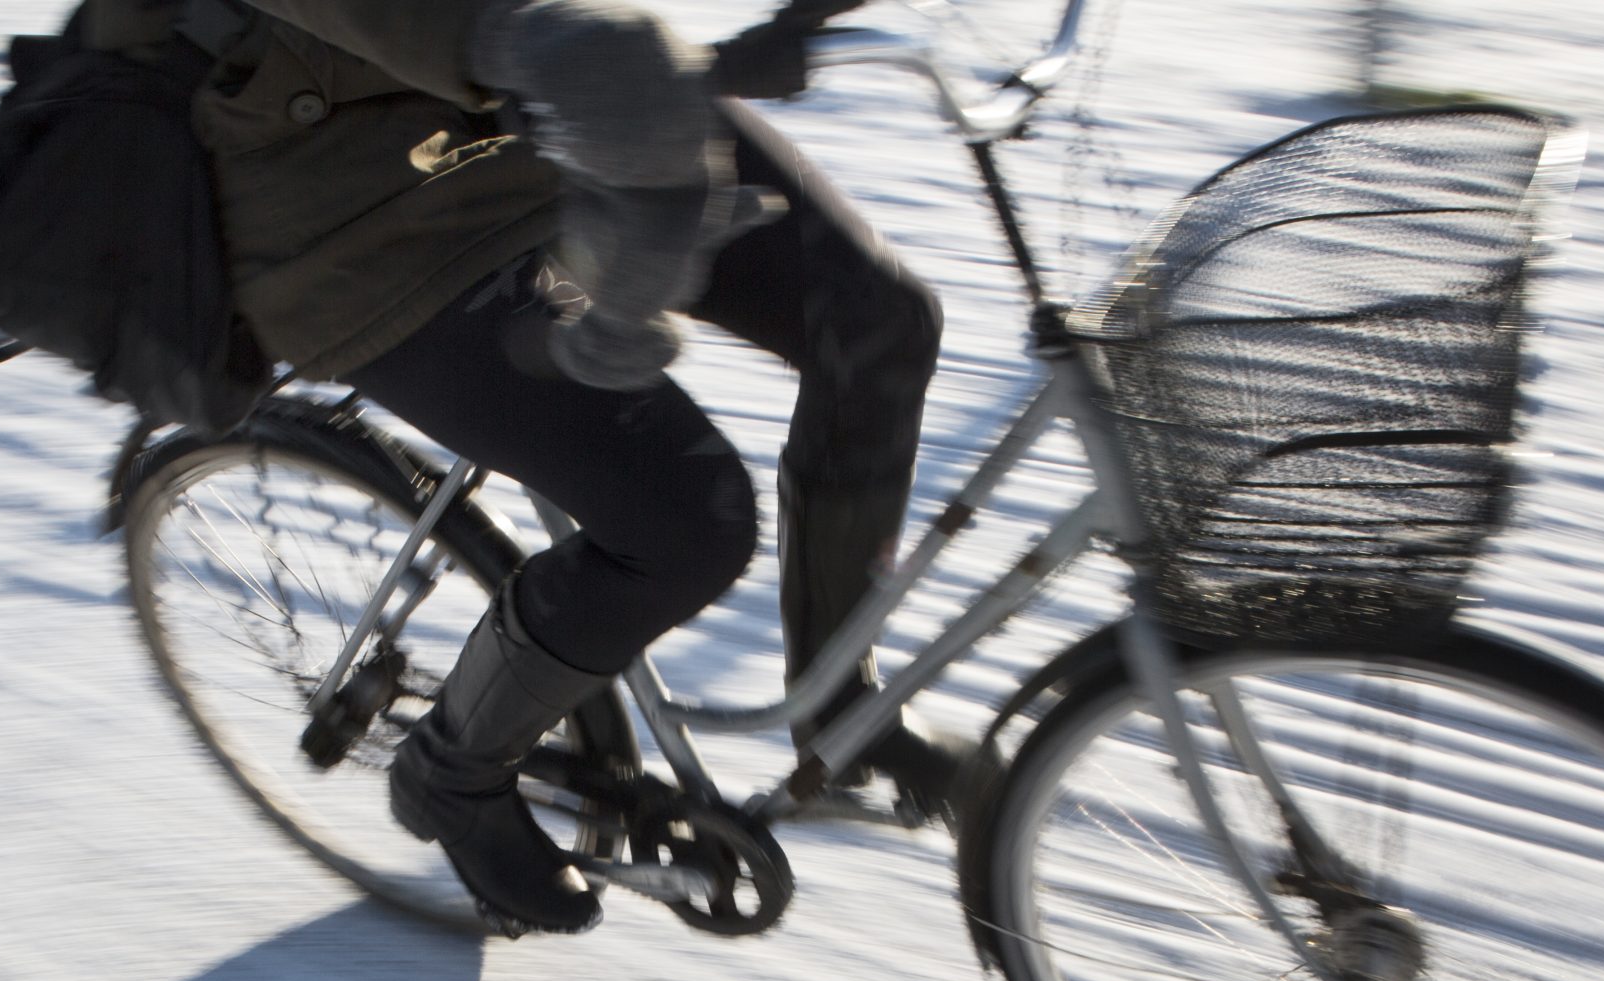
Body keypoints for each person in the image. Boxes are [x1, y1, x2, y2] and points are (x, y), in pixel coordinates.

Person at [94, 0, 959, 933]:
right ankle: (454, 776)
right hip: (355, 209)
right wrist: (525, 43)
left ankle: (837, 705)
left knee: (876, 325)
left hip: (564, 99)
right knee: (684, 522)